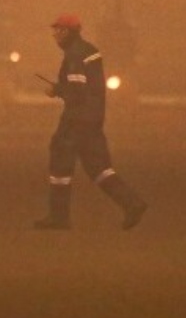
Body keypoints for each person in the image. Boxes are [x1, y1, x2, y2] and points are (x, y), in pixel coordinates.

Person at [34, 13, 147, 230]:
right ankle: (132, 203)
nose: (55, 35)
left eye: (58, 30)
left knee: (60, 163)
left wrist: (57, 89)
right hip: (93, 120)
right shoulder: (88, 50)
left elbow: (77, 91)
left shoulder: (75, 55)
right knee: (100, 168)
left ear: (68, 32)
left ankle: (59, 217)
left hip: (76, 120)